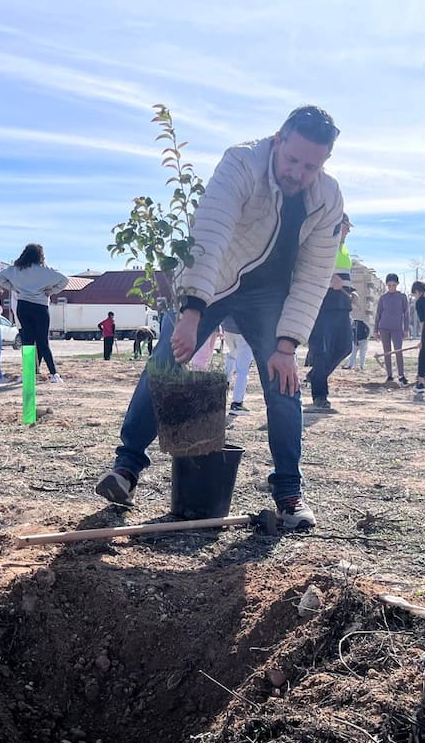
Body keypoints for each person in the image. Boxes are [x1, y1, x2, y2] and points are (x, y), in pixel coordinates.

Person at [94, 106, 344, 530]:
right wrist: (192, 310)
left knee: (284, 383)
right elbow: (208, 234)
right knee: (165, 363)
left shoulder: (328, 197)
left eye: (311, 166)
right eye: (293, 160)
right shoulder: (242, 162)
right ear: (279, 140)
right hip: (217, 279)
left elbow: (314, 275)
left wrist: (286, 346)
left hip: (271, 296)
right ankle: (126, 468)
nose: (299, 172)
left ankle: (288, 491)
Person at [0, 243, 68, 383]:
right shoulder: (45, 271)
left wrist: (14, 288)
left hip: (23, 306)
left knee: (27, 341)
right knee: (43, 342)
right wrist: (52, 291)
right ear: (40, 255)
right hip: (40, 306)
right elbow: (64, 280)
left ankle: (27, 374)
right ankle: (54, 374)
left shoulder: (16, 269)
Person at [306, 274, 353, 411]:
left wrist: (353, 292)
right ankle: (320, 395)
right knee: (321, 351)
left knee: (345, 347)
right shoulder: (317, 251)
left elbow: (346, 281)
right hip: (321, 306)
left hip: (343, 306)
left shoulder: (343, 253)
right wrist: (327, 280)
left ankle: (315, 375)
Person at [374, 274, 409, 383]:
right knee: (387, 352)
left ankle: (401, 375)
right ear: (386, 285)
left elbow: (406, 314)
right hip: (384, 327)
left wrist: (406, 329)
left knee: (398, 351)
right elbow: (378, 314)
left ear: (397, 284)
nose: (391, 288)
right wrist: (376, 330)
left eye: (393, 285)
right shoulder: (383, 298)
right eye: (389, 285)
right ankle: (389, 375)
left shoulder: (402, 297)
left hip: (397, 329)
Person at [222, 319, 255, 415]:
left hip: (228, 326)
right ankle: (237, 403)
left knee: (232, 355)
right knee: (243, 369)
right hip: (245, 329)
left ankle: (223, 386)